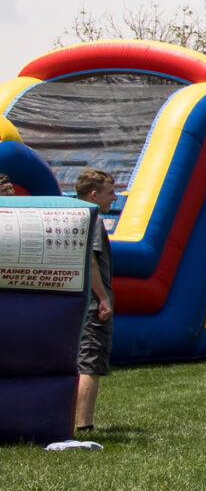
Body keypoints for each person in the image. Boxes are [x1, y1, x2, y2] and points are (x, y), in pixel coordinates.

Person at [72, 169, 116, 433]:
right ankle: (84, 425)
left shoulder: (72, 215)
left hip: (76, 303)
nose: (113, 198)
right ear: (93, 194)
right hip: (91, 305)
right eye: (109, 192)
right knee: (90, 364)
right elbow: (90, 261)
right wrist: (103, 299)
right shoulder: (93, 220)